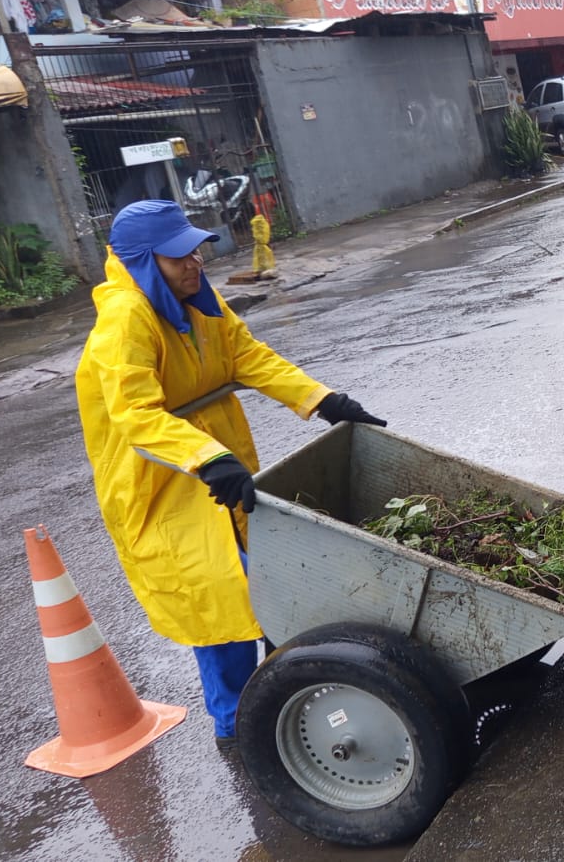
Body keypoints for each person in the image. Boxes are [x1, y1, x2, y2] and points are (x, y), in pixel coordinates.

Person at [75, 200, 387, 747]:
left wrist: (322, 399)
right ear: (144, 262)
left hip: (212, 464)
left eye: (195, 251)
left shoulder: (197, 299)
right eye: (177, 257)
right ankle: (239, 726)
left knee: (266, 578)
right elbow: (136, 414)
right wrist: (207, 457)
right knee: (216, 595)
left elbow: (247, 355)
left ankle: (282, 694)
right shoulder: (126, 319)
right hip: (161, 479)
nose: (194, 262)